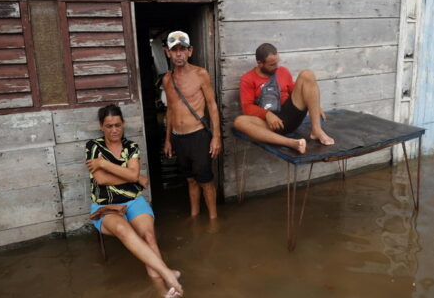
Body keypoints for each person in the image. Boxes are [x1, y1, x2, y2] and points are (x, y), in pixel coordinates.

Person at [86, 104, 183, 297]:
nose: (114, 130)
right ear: (101, 126)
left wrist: (104, 163)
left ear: (123, 124)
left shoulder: (131, 147)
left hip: (133, 200)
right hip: (105, 204)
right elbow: (101, 180)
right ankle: (167, 274)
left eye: (117, 125)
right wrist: (134, 177)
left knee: (148, 236)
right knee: (123, 229)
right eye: (109, 126)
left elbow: (131, 173)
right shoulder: (93, 146)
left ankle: (165, 292)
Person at [161, 31, 222, 219]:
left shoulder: (200, 74)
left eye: (182, 49)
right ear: (167, 53)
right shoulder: (167, 79)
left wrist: (216, 137)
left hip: (198, 135)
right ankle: (194, 215)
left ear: (190, 51)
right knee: (190, 180)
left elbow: (212, 105)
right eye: (174, 50)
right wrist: (168, 140)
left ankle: (213, 220)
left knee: (205, 180)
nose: (179, 54)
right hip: (179, 138)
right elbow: (170, 110)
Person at [234, 43, 334, 154]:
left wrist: (315, 106)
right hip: (269, 125)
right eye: (272, 64)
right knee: (239, 122)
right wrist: (267, 114)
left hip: (290, 116)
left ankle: (316, 130)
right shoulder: (247, 79)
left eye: (277, 62)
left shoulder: (283, 71)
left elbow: (296, 91)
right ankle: (292, 143)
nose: (277, 67)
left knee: (307, 74)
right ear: (260, 63)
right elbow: (247, 107)